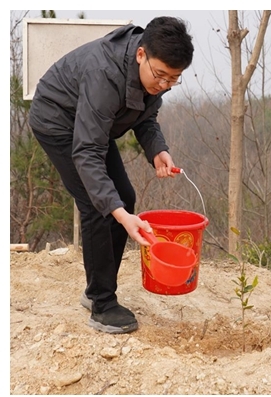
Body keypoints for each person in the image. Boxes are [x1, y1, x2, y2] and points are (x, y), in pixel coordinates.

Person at [28, 17, 194, 334]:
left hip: (93, 125)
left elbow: (145, 117)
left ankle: (97, 292)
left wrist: (157, 149)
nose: (163, 85)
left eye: (173, 80)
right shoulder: (104, 72)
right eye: (160, 76)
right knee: (97, 206)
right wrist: (119, 214)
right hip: (58, 120)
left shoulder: (155, 75)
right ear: (141, 54)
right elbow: (87, 150)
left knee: (124, 198)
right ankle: (102, 304)